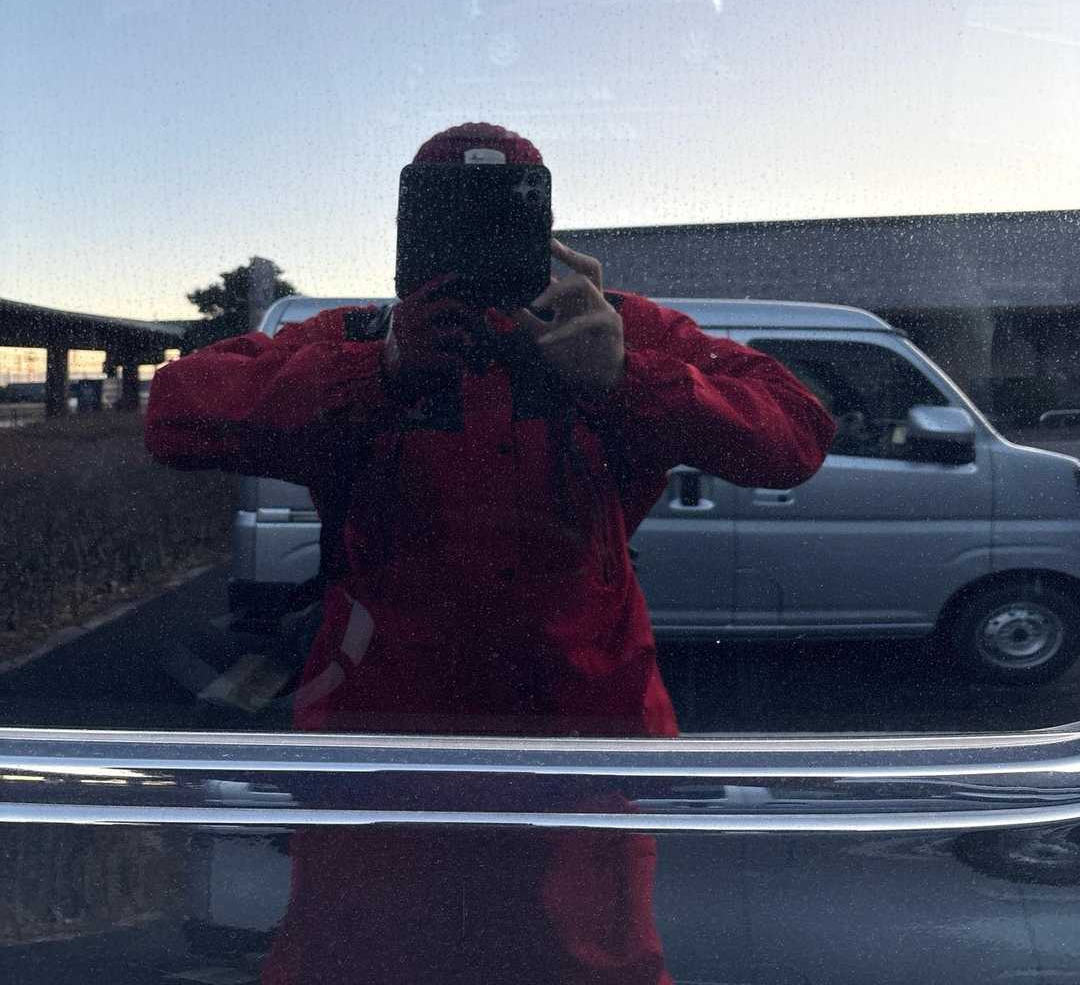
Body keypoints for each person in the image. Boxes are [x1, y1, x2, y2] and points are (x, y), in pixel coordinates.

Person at [145, 121, 834, 984]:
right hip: (394, 760)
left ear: (545, 225)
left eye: (501, 214)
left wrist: (624, 374)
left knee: (574, 966)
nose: (475, 241)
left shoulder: (613, 332)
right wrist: (382, 368)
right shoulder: (363, 338)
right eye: (449, 217)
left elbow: (796, 434)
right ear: (408, 227)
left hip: (567, 760)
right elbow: (174, 412)